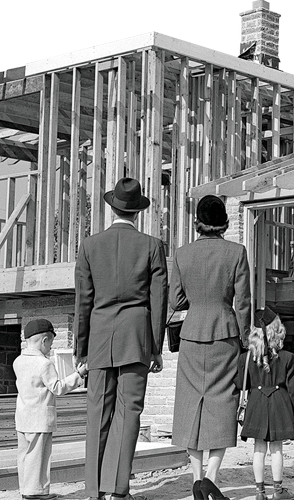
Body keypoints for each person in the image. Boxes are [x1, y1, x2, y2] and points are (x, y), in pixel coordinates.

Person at [74, 177, 168, 500]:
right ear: (137, 212)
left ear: (112, 206)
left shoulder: (89, 246)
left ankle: (93, 490)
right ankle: (116, 490)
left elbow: (83, 301)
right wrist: (155, 347)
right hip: (136, 338)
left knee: (97, 413)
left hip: (99, 338)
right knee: (128, 412)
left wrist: (80, 349)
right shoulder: (152, 246)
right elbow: (159, 300)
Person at [170, 194, 251, 500]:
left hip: (191, 335)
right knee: (222, 404)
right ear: (225, 223)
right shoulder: (236, 252)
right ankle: (211, 479)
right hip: (225, 334)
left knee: (191, 404)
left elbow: (175, 300)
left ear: (197, 223)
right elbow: (243, 303)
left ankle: (195, 477)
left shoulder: (182, 254)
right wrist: (245, 341)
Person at [235, 307, 294, 500]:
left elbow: (239, 384)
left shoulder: (246, 357)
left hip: (257, 404)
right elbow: (293, 388)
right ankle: (278, 491)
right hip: (280, 405)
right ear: (276, 331)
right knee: (277, 449)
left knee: (259, 449)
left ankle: (259, 493)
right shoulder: (288, 357)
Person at [13, 318, 88, 500]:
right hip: (40, 419)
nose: (50, 348)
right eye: (51, 344)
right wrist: (79, 374)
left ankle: (26, 490)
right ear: (44, 340)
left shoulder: (18, 361)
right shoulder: (44, 364)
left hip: (22, 418)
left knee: (24, 455)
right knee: (39, 458)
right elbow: (58, 387)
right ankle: (36, 493)